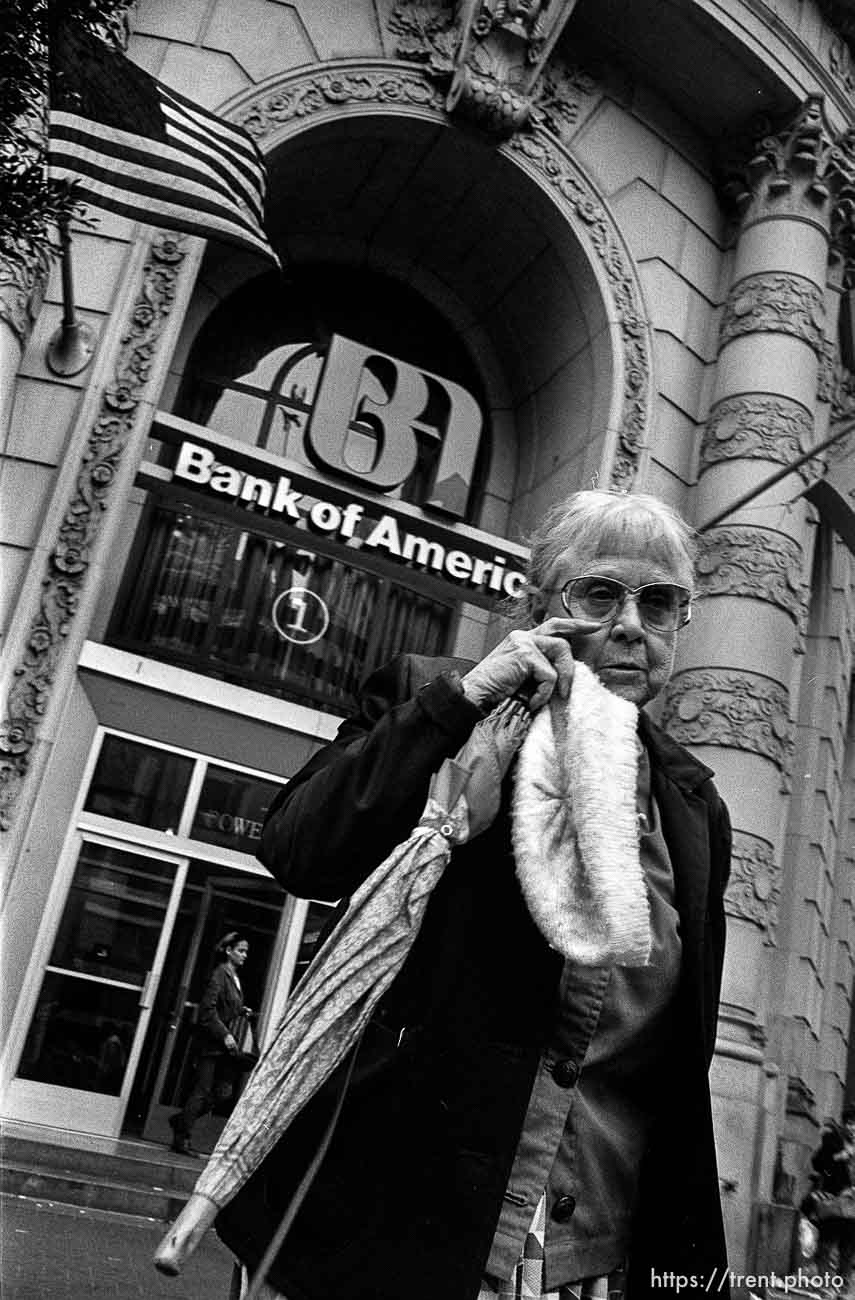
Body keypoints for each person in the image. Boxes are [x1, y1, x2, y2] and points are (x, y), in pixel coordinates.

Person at [214, 489, 732, 1300]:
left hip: (580, 1254)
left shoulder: (692, 806)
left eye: (660, 603)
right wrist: (457, 704)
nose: (632, 624)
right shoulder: (444, 700)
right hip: (389, 1233)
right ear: (537, 605)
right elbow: (299, 851)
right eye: (599, 593)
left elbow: (669, 1065)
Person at [169, 932, 251, 1156]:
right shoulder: (219, 974)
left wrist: (241, 1010)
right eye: (240, 950)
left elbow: (227, 1006)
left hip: (226, 1049)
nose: (244, 955)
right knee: (203, 1091)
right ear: (228, 951)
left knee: (223, 1092)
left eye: (246, 951)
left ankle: (181, 1119)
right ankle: (181, 1139)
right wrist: (224, 1034)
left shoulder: (233, 977)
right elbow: (207, 1011)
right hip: (212, 1045)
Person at [811, 1108, 855, 1287]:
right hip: (832, 1202)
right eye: (850, 1123)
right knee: (826, 1245)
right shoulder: (833, 1140)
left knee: (848, 1249)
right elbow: (817, 1163)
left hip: (852, 1207)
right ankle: (822, 1284)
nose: (853, 1128)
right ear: (844, 1124)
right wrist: (838, 1157)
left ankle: (842, 1287)